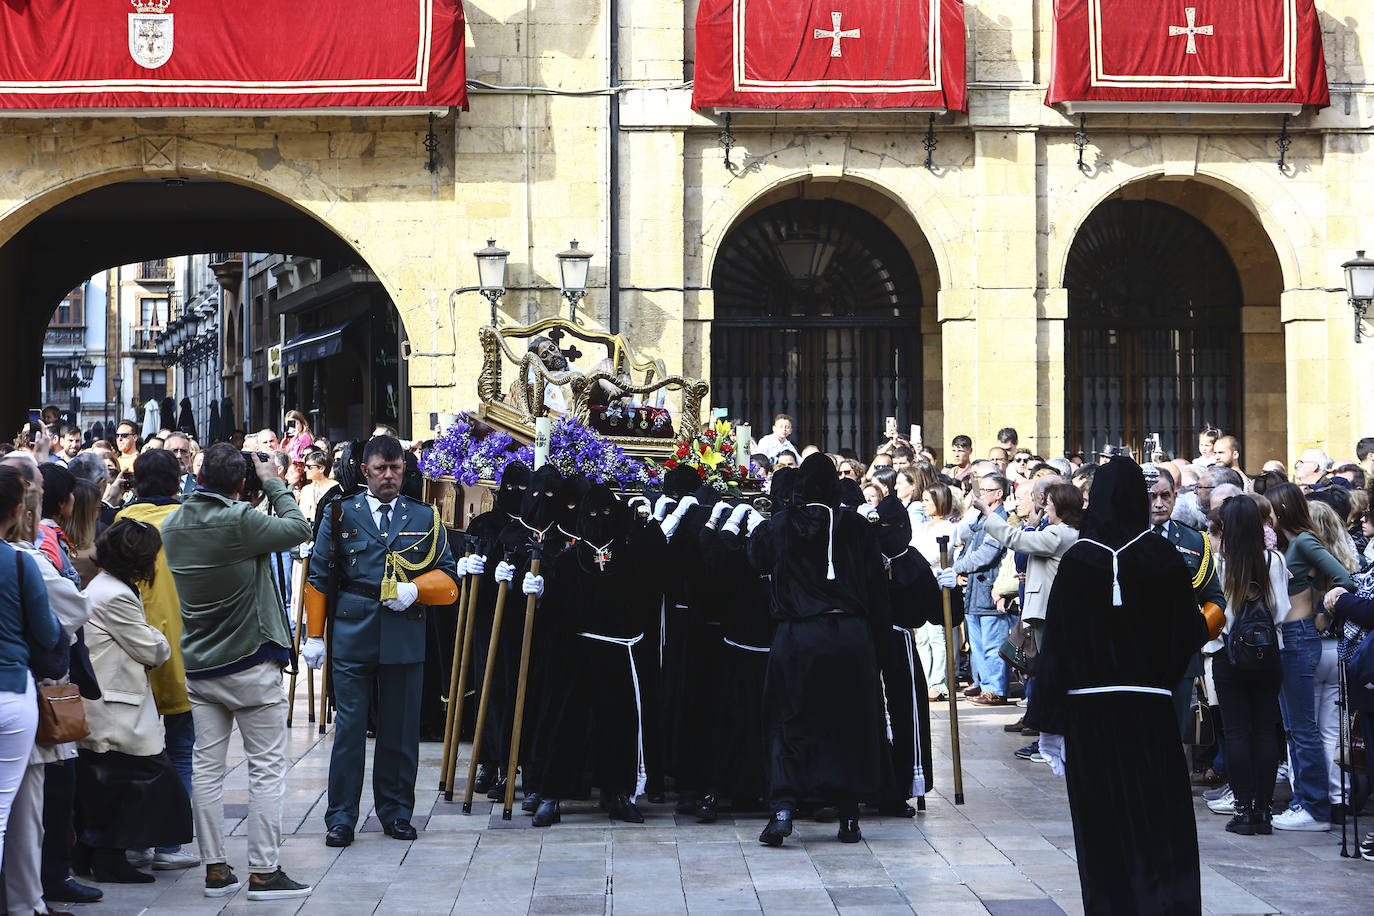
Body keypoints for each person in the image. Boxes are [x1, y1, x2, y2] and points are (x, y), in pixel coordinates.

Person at [1024, 457, 1208, 914]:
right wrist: (1158, 674)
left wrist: (1049, 717)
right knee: (1158, 821)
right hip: (1148, 712)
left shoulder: (1078, 560)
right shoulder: (1162, 555)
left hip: (1090, 718)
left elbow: (1058, 645)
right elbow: (1188, 632)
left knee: (1100, 824)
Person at [162, 444, 315, 900]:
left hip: (201, 665)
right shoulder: (240, 521)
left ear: (199, 476)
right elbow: (299, 527)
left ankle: (215, 870)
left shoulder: (174, 525)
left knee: (206, 770)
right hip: (250, 661)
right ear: (243, 483)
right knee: (265, 769)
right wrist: (274, 482)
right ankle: (264, 872)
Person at [303, 436, 458, 848]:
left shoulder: (424, 515)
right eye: (380, 469)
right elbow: (319, 575)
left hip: (404, 629)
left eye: (395, 468)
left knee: (400, 730)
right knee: (350, 730)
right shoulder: (341, 512)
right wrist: (314, 635)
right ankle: (341, 818)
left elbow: (447, 575)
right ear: (365, 471)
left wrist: (416, 589)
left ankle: (396, 812)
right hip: (353, 630)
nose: (388, 476)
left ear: (404, 470)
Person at [747, 453, 893, 846]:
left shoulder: (783, 524)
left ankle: (783, 808)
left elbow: (755, 558)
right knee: (848, 722)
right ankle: (849, 815)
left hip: (799, 636)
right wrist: (879, 647)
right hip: (850, 637)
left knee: (787, 719)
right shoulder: (858, 527)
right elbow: (877, 589)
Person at [526, 485, 665, 827]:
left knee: (619, 727)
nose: (599, 520)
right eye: (592, 514)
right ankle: (551, 796)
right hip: (578, 655)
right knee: (566, 726)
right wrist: (538, 594)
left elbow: (649, 598)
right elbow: (554, 614)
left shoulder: (630, 556)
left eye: (605, 513)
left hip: (620, 653)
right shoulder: (568, 560)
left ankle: (619, 793)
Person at [76, 519, 192, 883]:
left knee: (107, 786)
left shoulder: (107, 585)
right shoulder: (116, 594)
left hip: (111, 702)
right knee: (135, 782)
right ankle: (109, 859)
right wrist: (159, 638)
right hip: (114, 706)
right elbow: (152, 650)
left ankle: (91, 855)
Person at [113, 449, 199, 870]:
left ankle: (136, 841)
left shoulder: (122, 523)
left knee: (136, 752)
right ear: (177, 480)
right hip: (184, 649)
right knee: (181, 749)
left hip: (132, 649)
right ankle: (170, 844)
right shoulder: (189, 521)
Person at [1265, 482, 1354, 831]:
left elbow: (1344, 577)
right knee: (1295, 729)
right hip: (1292, 637)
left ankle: (1314, 807)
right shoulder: (1293, 543)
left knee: (1302, 730)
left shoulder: (1304, 541)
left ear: (1282, 510)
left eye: (1270, 510)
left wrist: (1325, 612)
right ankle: (1305, 802)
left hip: (1299, 637)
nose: (1266, 517)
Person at [1210, 496, 1291, 836]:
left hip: (1228, 654)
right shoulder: (1273, 559)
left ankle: (1243, 809)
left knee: (1236, 732)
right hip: (1268, 653)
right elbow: (1282, 610)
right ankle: (1264, 811)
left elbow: (1213, 613)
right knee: (1265, 730)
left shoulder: (1219, 563)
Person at [873, 494, 941, 814]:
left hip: (899, 643)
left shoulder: (913, 560)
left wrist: (948, 591)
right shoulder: (864, 555)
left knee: (905, 712)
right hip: (869, 643)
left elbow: (936, 612)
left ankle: (902, 783)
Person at [939, 473, 1011, 705]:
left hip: (989, 591)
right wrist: (959, 571)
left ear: (998, 494)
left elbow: (987, 554)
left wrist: (956, 567)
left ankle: (996, 690)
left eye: (985, 491)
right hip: (974, 592)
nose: (980, 495)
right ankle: (984, 684)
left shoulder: (1000, 518)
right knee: (978, 645)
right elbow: (967, 542)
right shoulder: (980, 517)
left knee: (992, 644)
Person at [912, 483, 956, 701]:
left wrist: (917, 561)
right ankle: (923, 679)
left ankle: (938, 682)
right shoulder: (921, 527)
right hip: (919, 583)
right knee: (921, 636)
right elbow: (912, 549)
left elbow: (937, 555)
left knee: (936, 635)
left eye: (927, 500)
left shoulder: (948, 527)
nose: (923, 504)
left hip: (937, 583)